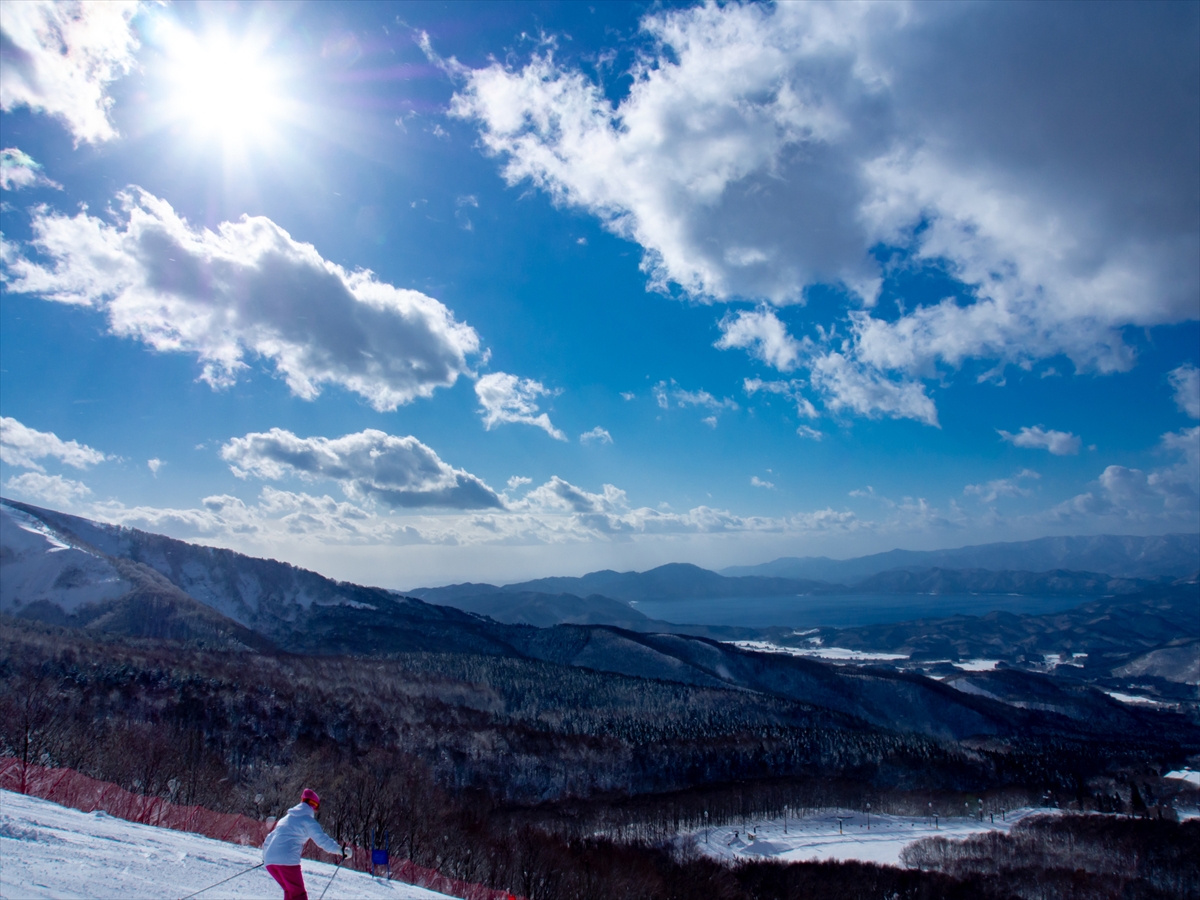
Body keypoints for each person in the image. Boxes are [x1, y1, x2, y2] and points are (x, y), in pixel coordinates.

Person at [262, 789, 349, 900]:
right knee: (299, 895)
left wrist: (267, 857)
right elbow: (322, 840)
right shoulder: (308, 821)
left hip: (270, 861)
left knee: (290, 892)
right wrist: (340, 850)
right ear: (314, 806)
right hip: (287, 860)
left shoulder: (285, 819)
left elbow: (269, 839)